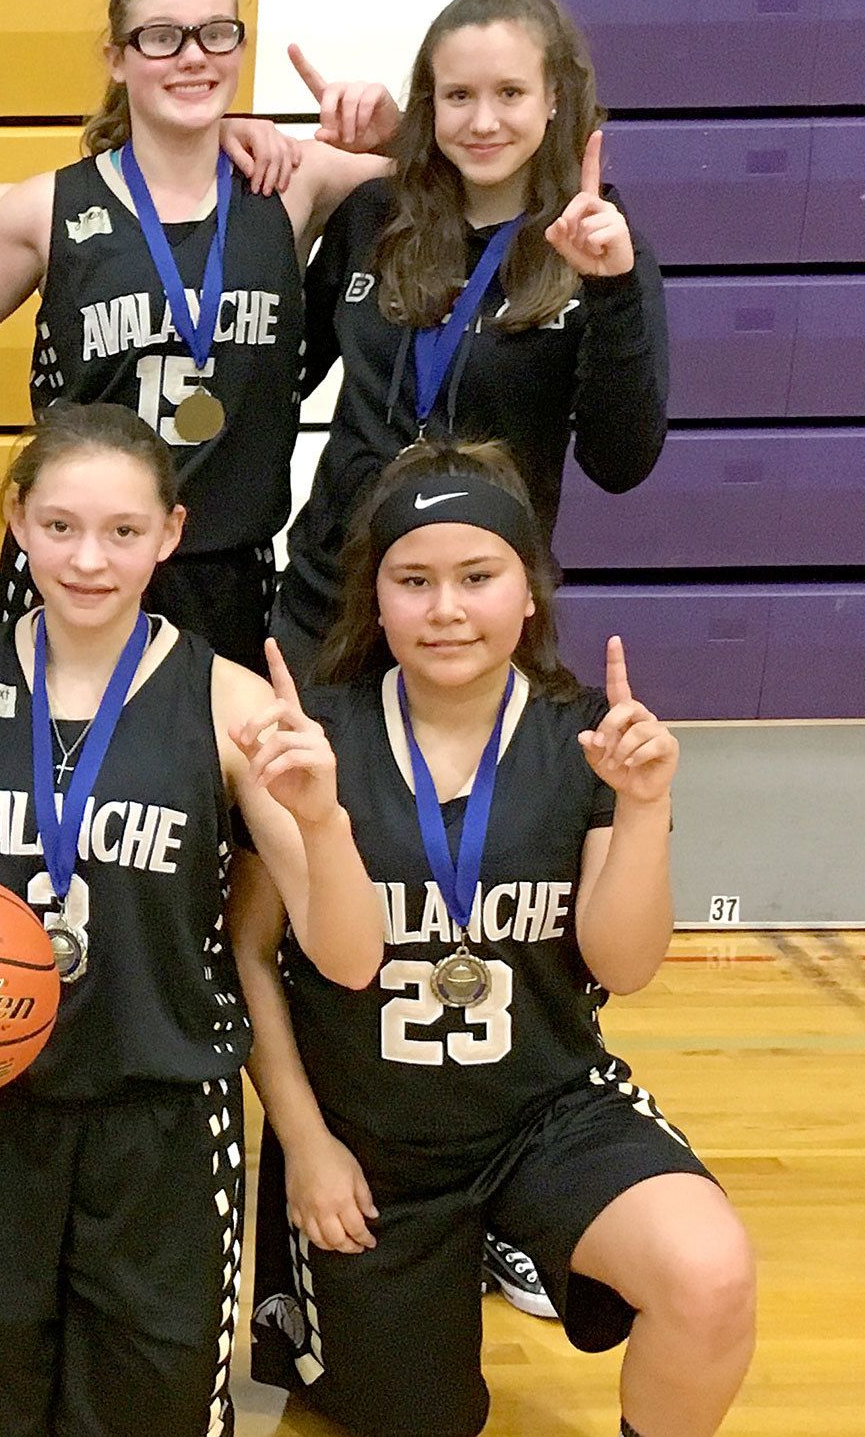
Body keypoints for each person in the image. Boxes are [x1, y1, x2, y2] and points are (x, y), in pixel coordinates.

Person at [241, 439, 755, 1437]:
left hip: (542, 1111)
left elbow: (622, 965)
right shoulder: (311, 738)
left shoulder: (590, 736)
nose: (444, 610)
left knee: (709, 1275)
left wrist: (642, 806)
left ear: (528, 591)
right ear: (374, 597)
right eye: (413, 580)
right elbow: (280, 961)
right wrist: (301, 1144)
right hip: (371, 1141)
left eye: (476, 578)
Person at [0, 403, 383, 1436]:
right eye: (62, 526)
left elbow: (347, 959)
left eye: (123, 532)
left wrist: (322, 819)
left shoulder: (233, 704)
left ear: (169, 533)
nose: (88, 559)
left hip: (158, 1114)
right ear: (16, 518)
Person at [0, 0, 396, 670]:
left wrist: (394, 126)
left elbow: (464, 179)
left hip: (227, 573)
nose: (194, 56)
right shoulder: (47, 209)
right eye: (162, 38)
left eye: (216, 33)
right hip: (79, 570)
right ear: (116, 57)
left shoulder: (293, 183)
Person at [273, 0, 670, 684]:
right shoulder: (372, 216)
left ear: (555, 97)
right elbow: (277, 381)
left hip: (475, 620)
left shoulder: (598, 242)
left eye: (510, 93)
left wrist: (612, 290)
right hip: (326, 603)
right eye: (459, 96)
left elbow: (621, 463)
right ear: (432, 105)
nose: (483, 121)